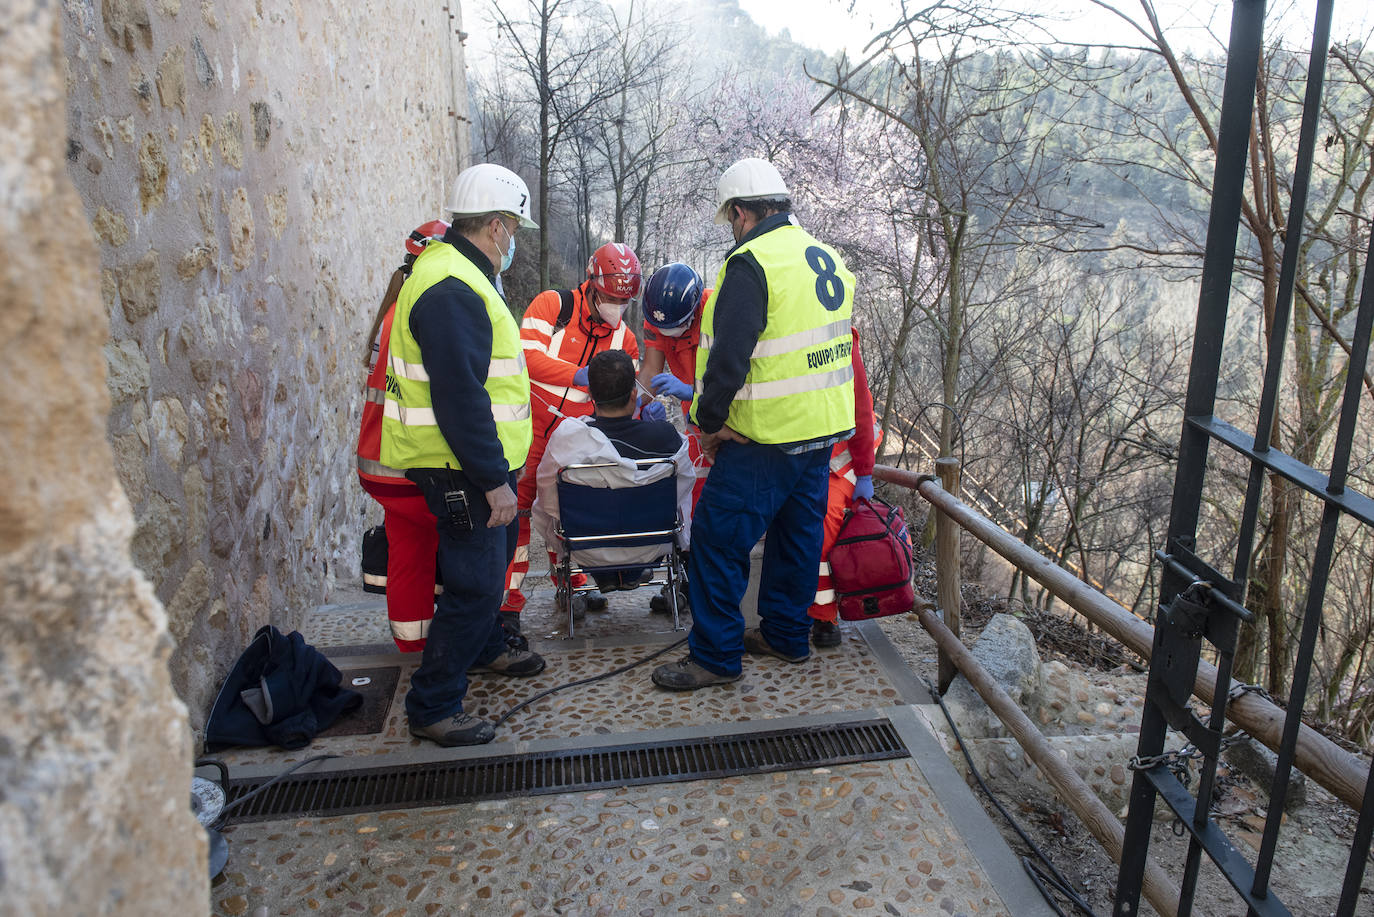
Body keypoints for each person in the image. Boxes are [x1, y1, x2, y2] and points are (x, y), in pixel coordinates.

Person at [652, 157, 857, 690]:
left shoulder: (751, 264)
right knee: (796, 537)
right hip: (819, 434)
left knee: (718, 541)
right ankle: (787, 636)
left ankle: (717, 657)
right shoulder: (825, 256)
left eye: (732, 220)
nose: (734, 231)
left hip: (764, 435)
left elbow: (728, 362)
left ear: (742, 213)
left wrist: (707, 420)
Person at [380, 162, 546, 747]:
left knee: (490, 565)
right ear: (497, 227)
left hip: (477, 462)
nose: (515, 242)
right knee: (476, 585)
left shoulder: (457, 274)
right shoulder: (452, 285)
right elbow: (459, 396)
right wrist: (492, 481)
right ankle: (434, 705)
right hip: (460, 466)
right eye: (514, 231)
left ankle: (485, 650)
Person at [501, 242, 654, 627]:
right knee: (516, 519)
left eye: (623, 299)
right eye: (609, 296)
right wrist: (575, 374)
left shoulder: (626, 339)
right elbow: (526, 357)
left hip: (577, 442)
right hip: (531, 432)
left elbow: (624, 395)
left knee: (565, 515)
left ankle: (572, 581)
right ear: (591, 283)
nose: (616, 305)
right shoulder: (552, 306)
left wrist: (642, 409)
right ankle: (508, 605)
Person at [356, 220, 449, 653]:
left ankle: (413, 650)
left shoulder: (393, 311)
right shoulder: (424, 309)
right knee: (472, 543)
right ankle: (467, 647)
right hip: (413, 463)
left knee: (409, 556)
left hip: (381, 464)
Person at [531, 350, 694, 596]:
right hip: (652, 544)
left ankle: (606, 575)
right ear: (634, 395)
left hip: (585, 548)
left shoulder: (568, 440)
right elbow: (683, 497)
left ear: (590, 395)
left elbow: (547, 503)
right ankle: (635, 573)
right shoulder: (666, 438)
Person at [807, 327, 880, 648]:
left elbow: (860, 407)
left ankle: (824, 618)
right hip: (812, 455)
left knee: (824, 538)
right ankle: (810, 611)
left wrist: (864, 471)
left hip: (841, 460)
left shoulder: (838, 338)